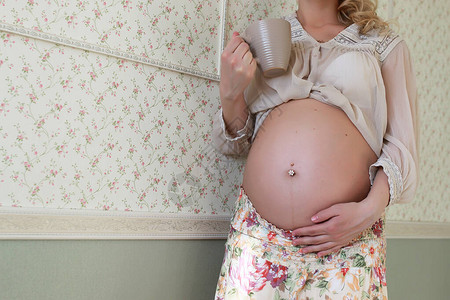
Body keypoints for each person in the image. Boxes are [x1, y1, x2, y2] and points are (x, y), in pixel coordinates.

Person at [212, 0, 417, 299]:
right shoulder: (265, 37)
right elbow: (236, 144)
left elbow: (401, 144)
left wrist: (367, 212)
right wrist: (230, 95)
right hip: (258, 236)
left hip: (345, 240)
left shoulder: (382, 45)